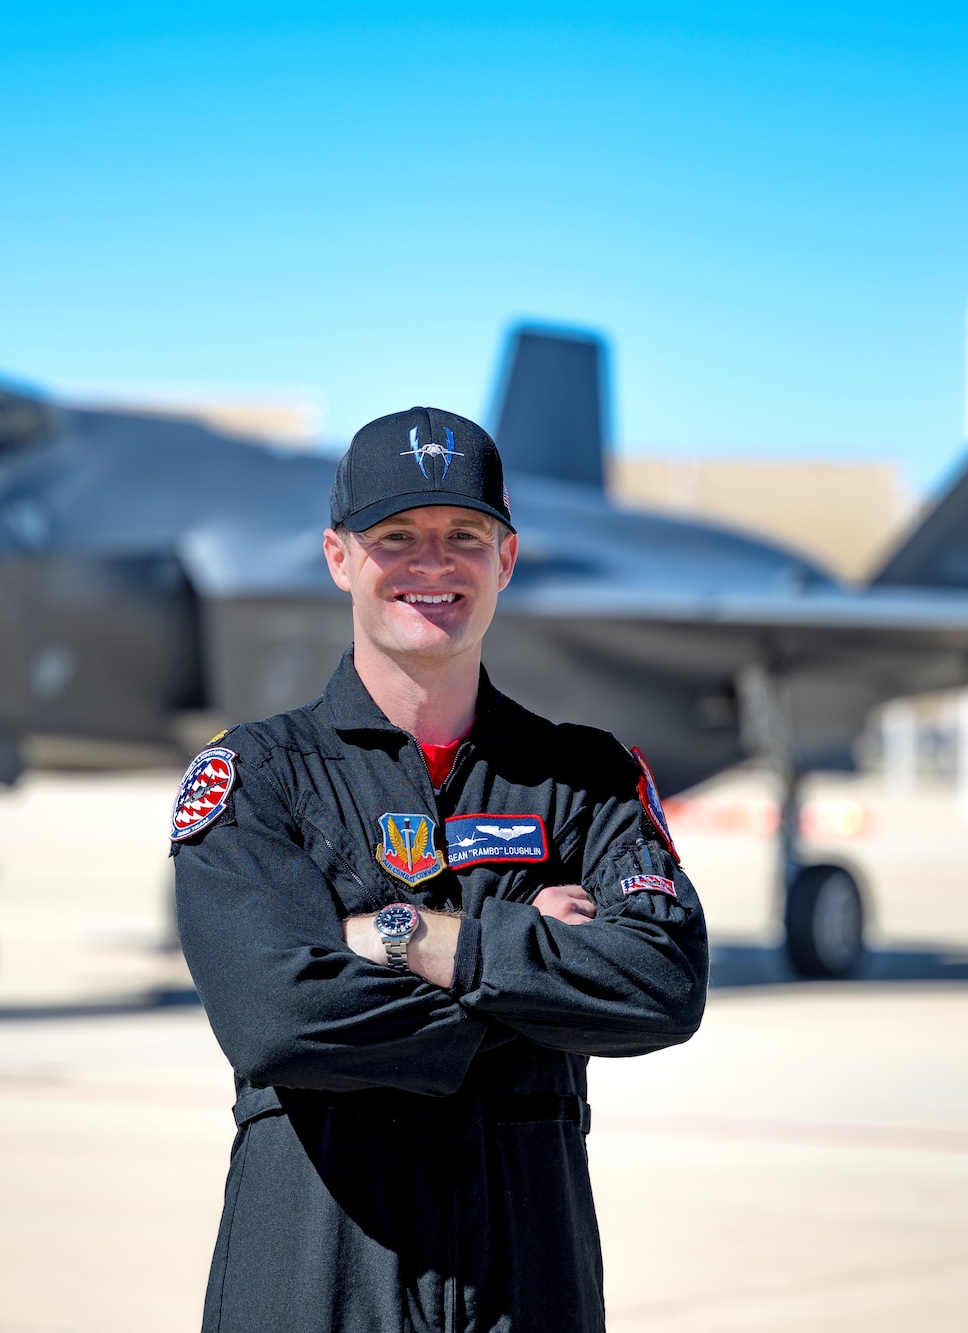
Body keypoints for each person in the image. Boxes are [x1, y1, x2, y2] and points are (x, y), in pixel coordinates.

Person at [171, 406, 708, 1333]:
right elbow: (279, 1020)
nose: (433, 563)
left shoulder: (586, 780)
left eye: (464, 534)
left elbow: (661, 984)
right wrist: (527, 969)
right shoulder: (255, 776)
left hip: (527, 1297)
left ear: (505, 558)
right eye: (396, 536)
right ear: (339, 556)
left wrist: (407, 937)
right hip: (314, 1295)